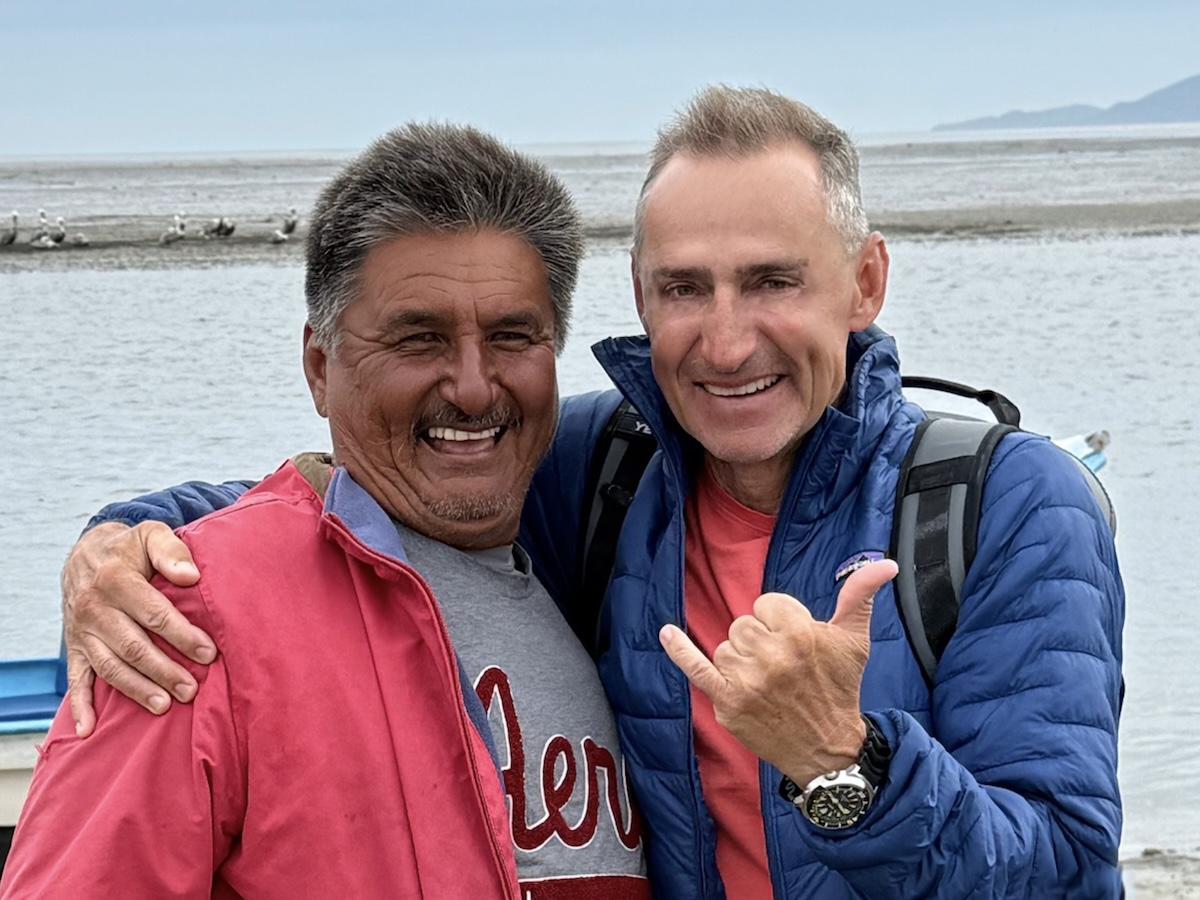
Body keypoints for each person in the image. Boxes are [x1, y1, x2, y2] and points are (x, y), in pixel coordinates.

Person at [55, 87, 1124, 898]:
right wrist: (129, 535)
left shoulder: (1005, 505)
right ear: (640, 299)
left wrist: (842, 766)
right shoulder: (605, 469)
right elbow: (377, 483)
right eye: (685, 288)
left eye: (771, 281)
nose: (726, 341)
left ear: (865, 283)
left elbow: (1069, 869)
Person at [1, 123, 651, 898]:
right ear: (319, 366)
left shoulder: (596, 553)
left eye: (513, 336)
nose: (475, 388)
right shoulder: (183, 624)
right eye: (419, 340)